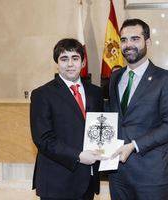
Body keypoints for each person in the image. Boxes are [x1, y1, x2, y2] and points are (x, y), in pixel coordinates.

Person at [108, 18, 168, 200]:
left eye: (135, 39)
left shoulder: (166, 79)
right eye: (124, 40)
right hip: (118, 173)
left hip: (152, 173)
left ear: (147, 42)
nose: (128, 45)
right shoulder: (115, 77)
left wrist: (134, 146)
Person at [30, 38, 104, 200]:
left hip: (88, 180)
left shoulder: (95, 93)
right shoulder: (42, 94)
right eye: (64, 59)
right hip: (57, 180)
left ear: (83, 62)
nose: (70, 64)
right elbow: (43, 139)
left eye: (75, 58)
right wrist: (78, 155)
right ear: (57, 63)